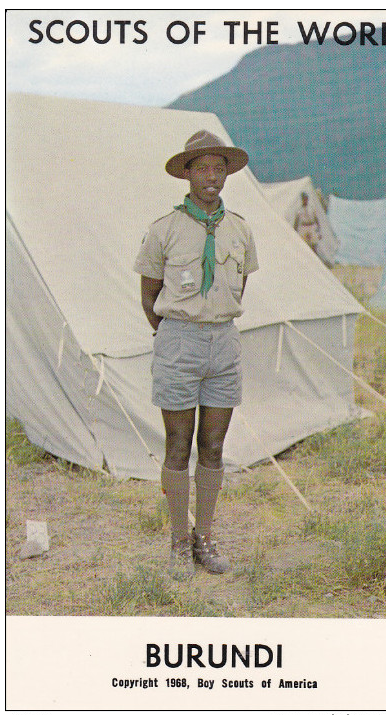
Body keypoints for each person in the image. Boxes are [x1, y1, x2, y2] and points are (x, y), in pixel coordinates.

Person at [133, 130, 259, 580]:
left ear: (227, 174)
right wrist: (174, 333)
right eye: (203, 168)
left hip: (224, 342)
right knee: (178, 445)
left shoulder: (240, 228)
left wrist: (213, 320)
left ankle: (204, 537)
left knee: (213, 446)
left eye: (219, 168)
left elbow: (241, 284)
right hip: (178, 341)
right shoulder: (164, 229)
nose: (212, 177)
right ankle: (178, 543)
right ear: (187, 174)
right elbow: (149, 295)